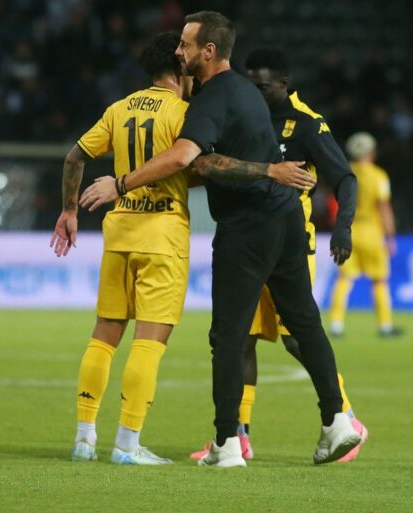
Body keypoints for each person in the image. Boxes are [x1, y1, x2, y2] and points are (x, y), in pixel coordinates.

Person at [79, 11, 361, 467]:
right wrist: (263, 171)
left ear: (208, 51)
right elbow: (207, 165)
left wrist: (121, 183)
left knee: (228, 335)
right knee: (305, 323)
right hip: (287, 219)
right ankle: (337, 421)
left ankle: (227, 443)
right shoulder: (245, 92)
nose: (178, 52)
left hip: (248, 227)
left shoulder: (211, 99)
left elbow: (185, 157)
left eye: (185, 44)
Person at [188, 45, 367, 463]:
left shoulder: (305, 123)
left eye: (264, 86)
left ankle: (345, 417)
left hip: (289, 238)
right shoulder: (244, 113)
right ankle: (240, 435)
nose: (256, 91)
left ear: (284, 84)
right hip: (253, 233)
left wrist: (342, 227)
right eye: (251, 83)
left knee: (295, 336)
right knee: (244, 338)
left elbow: (344, 178)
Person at [51, 32, 192, 465]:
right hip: (162, 236)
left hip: (119, 234)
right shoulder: (184, 113)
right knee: (149, 342)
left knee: (104, 336)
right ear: (181, 67)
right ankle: (128, 445)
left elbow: (74, 157)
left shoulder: (120, 108)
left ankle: (84, 439)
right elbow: (191, 163)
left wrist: (69, 211)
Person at [328, 132, 403, 338]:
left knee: (344, 279)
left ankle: (336, 324)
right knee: (379, 281)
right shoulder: (378, 176)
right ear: (372, 152)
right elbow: (384, 207)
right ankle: (385, 325)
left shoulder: (344, 172)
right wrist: (390, 236)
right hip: (372, 232)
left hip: (348, 229)